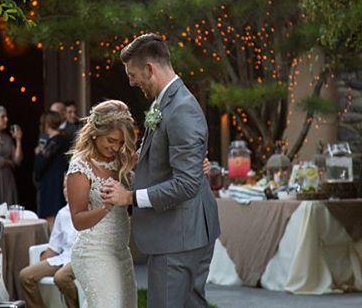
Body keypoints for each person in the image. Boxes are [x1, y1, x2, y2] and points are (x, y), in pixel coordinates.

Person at [101, 33, 220, 307]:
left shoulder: (180, 110)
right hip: (182, 233)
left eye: (132, 74)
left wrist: (130, 198)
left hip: (177, 237)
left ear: (150, 69)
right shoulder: (166, 102)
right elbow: (168, 166)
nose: (131, 81)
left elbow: (187, 184)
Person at [66, 100, 137, 307]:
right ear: (96, 132)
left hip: (121, 251)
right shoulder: (81, 166)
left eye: (121, 143)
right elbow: (78, 221)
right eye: (111, 140)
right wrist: (106, 206)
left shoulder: (122, 160)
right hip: (93, 253)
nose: (115, 147)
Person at [19, 178, 78, 308]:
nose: (66, 191)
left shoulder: (88, 210)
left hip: (80, 258)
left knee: (60, 278)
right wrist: (40, 263)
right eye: (64, 187)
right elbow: (54, 248)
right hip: (63, 258)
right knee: (25, 276)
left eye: (70, 187)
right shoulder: (62, 213)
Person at [34, 111, 71, 230]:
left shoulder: (54, 141)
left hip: (51, 185)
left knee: (52, 219)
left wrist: (38, 154)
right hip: (60, 181)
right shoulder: (64, 139)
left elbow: (41, 163)